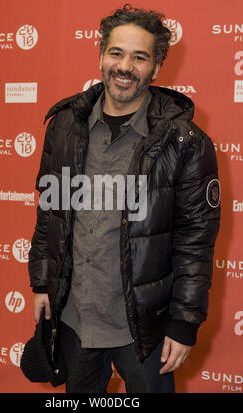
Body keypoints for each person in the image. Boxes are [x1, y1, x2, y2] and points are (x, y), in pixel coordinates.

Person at [28, 4, 220, 393]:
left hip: (145, 327)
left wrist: (184, 322)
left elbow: (195, 240)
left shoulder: (186, 142)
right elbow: (50, 211)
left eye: (139, 57)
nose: (124, 66)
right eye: (116, 53)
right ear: (101, 55)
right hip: (75, 317)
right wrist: (41, 283)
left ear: (157, 66)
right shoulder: (66, 124)